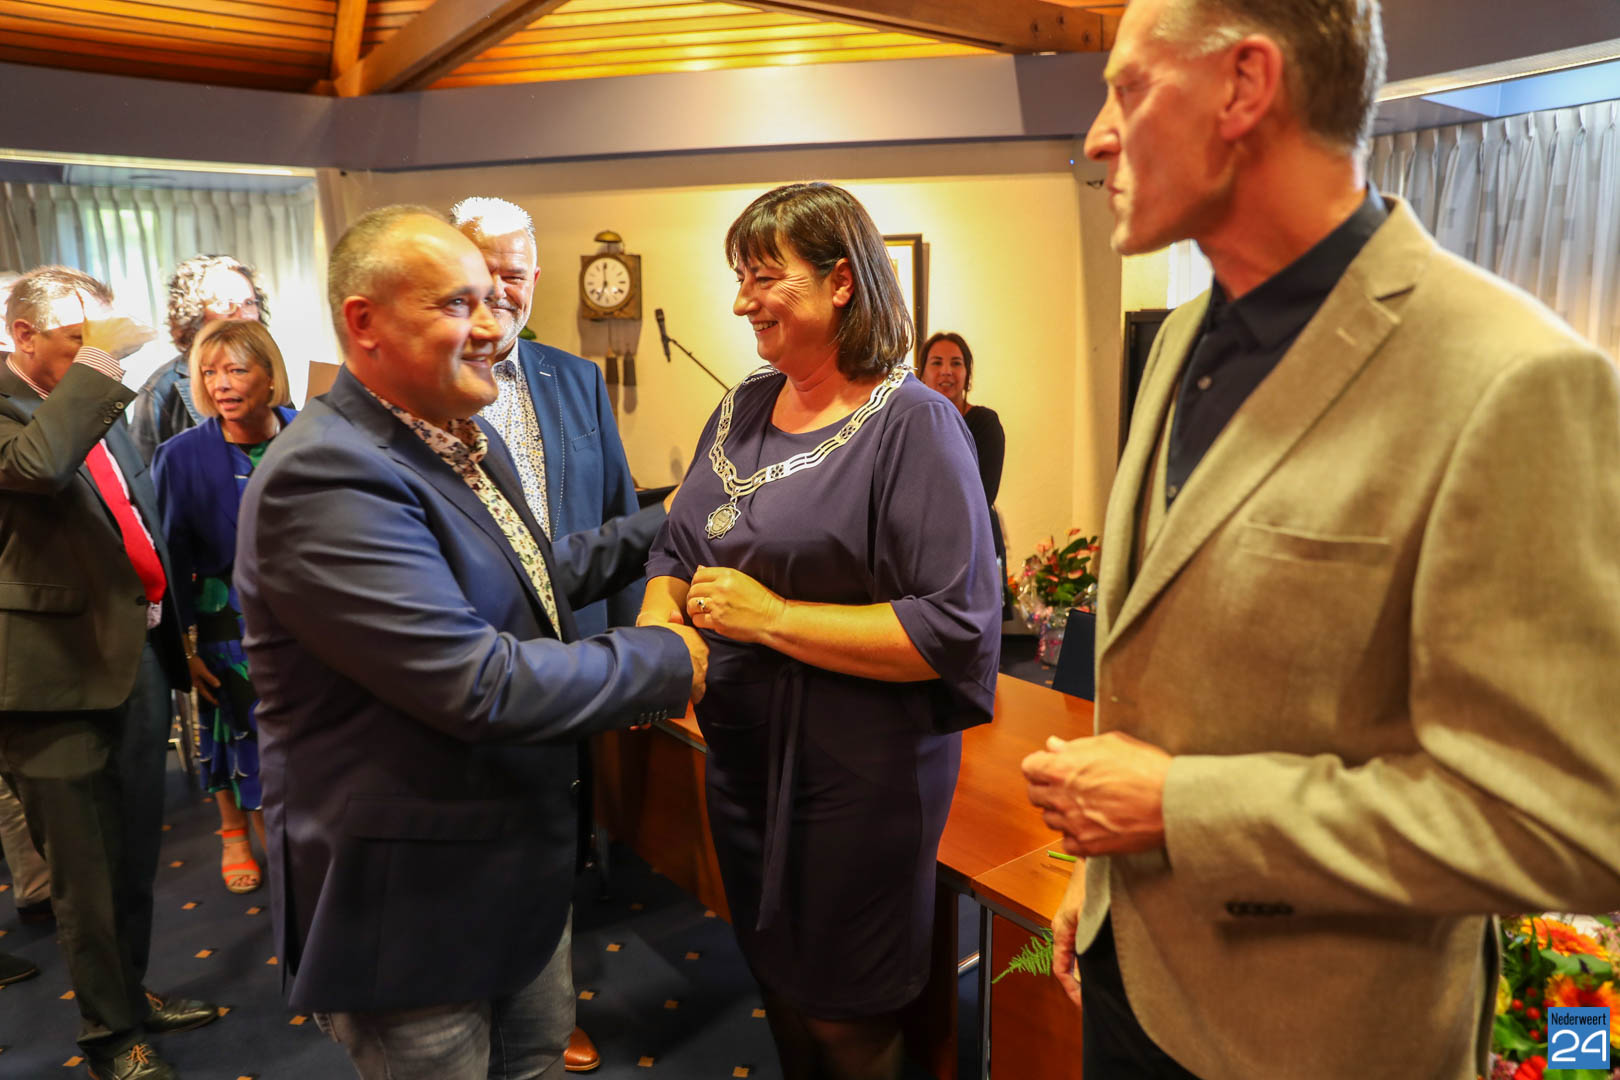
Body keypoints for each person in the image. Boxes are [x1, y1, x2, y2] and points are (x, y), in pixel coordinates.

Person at [1019, 2, 1620, 1078]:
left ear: (1245, 86)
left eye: (1130, 88)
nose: (1100, 136)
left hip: (1312, 1042)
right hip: (1127, 977)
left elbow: (1566, 820)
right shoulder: (1180, 340)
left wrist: (1179, 812)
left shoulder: (1514, 379)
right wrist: (1103, 879)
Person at [235, 204, 707, 1080]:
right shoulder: (328, 473)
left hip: (510, 864)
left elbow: (531, 576)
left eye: (494, 297)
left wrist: (672, 521)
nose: (493, 326)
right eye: (457, 304)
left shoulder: (458, 436)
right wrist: (675, 657)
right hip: (414, 904)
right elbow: (477, 683)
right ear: (364, 323)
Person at [642, 182, 1001, 1080]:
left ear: (841, 282)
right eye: (740, 278)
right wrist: (662, 626)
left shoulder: (915, 425)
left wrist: (772, 619)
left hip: (858, 777)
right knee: (780, 986)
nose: (742, 302)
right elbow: (676, 546)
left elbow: (951, 630)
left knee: (848, 1014)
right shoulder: (742, 406)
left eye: (766, 277)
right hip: (743, 762)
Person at [450, 194, 667, 1074]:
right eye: (484, 273)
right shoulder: (432, 387)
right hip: (476, 650)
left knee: (564, 828)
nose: (502, 291)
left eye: (515, 274)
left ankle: (549, 999)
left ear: (536, 277)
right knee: (494, 832)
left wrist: (639, 644)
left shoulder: (575, 378)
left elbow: (617, 512)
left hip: (579, 641)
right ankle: (510, 1004)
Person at [0, 266, 221, 1080]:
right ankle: (107, 1033)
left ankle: (129, 994)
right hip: (49, 680)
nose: (99, 354)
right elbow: (39, 466)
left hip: (133, 656)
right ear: (22, 335)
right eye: (78, 340)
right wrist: (97, 368)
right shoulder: (25, 406)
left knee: (130, 856)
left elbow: (134, 509)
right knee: (83, 877)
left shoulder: (90, 397)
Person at [152, 320, 295, 896]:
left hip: (312, 618)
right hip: (225, 618)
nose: (221, 385)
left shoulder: (311, 434)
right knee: (244, 733)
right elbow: (171, 559)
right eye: (209, 373)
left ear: (270, 376)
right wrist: (183, 648)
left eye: (236, 370)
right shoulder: (180, 456)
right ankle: (253, 846)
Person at [129, 254, 268, 463]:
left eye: (249, 303)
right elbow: (144, 473)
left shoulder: (266, 371)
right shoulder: (162, 388)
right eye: (226, 304)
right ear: (193, 315)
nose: (242, 315)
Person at [918, 331, 1008, 613]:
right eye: (936, 362)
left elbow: (983, 494)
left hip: (972, 546)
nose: (946, 371)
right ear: (921, 373)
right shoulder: (909, 424)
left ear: (967, 374)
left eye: (956, 363)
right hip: (920, 551)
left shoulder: (984, 423)